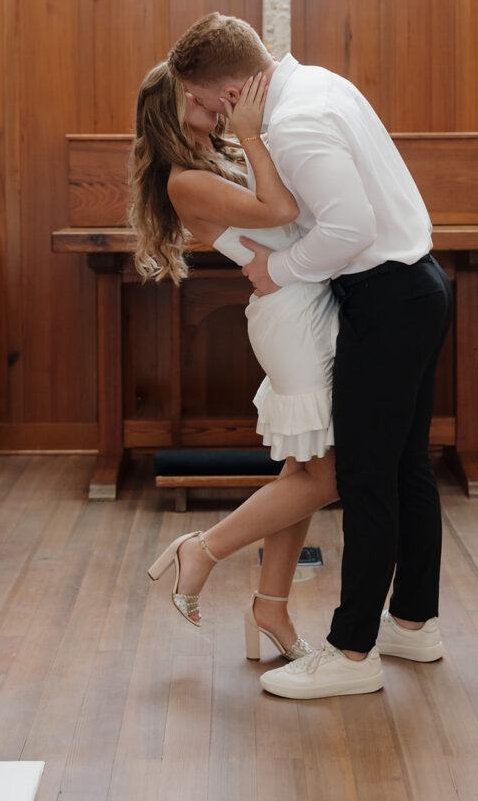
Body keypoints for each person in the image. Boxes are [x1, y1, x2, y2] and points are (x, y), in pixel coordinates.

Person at [168, 13, 453, 700]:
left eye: (204, 101)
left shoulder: (292, 123)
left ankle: (352, 653)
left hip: (383, 297)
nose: (203, 114)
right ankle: (411, 622)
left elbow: (347, 226)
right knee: (404, 467)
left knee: (364, 477)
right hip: (413, 283)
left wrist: (281, 269)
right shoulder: (317, 82)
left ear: (231, 91)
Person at [135, 60, 340, 663]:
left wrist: (251, 137)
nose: (207, 94)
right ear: (169, 106)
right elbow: (280, 213)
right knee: (325, 478)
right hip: (291, 323)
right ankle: (202, 550)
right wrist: (253, 134)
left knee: (302, 476)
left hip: (308, 304)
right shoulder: (183, 181)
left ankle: (270, 607)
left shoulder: (212, 159)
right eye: (190, 90)